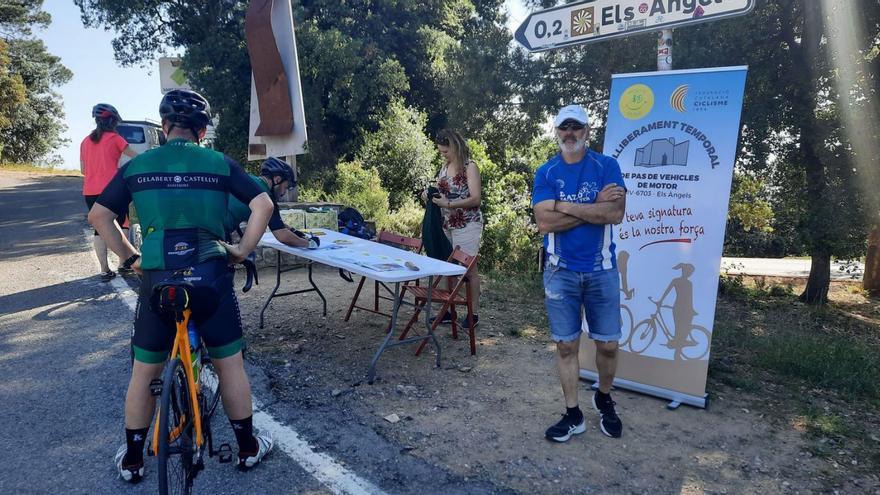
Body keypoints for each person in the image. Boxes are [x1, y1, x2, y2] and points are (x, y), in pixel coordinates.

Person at [88, 89, 276, 483]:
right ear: (202, 131)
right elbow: (264, 205)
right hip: (210, 272)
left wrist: (130, 258)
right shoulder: (218, 163)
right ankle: (247, 448)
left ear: (164, 128)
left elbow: (100, 215)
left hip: (158, 276)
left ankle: (134, 461)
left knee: (144, 371)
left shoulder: (139, 167)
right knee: (230, 366)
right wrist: (240, 250)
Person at [532, 104, 627, 441]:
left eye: (576, 127)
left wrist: (564, 206)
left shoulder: (607, 166)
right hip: (561, 272)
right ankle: (573, 414)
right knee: (566, 347)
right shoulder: (546, 172)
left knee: (609, 346)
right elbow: (544, 222)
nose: (569, 133)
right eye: (563, 128)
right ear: (556, 132)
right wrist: (592, 207)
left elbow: (615, 213)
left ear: (587, 131)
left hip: (602, 271)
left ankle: (603, 397)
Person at [423, 129, 484, 328]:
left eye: (445, 151)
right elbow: (442, 192)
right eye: (441, 152)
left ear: (455, 147)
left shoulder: (470, 167)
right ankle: (449, 311)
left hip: (467, 223)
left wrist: (448, 204)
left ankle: (473, 314)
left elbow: (475, 199)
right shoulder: (444, 167)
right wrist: (429, 195)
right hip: (446, 224)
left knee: (468, 269)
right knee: (446, 267)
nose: (443, 155)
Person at [80, 103, 138, 281]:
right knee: (122, 225)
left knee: (100, 229)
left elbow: (83, 170)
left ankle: (104, 270)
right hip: (112, 189)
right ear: (113, 121)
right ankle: (124, 264)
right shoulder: (115, 138)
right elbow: (137, 159)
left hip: (90, 190)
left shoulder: (85, 141)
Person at [224, 157, 318, 249]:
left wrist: (295, 232)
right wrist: (309, 244)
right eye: (285, 187)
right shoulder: (266, 197)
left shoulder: (250, 180)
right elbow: (282, 235)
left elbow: (275, 223)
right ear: (277, 179)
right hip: (218, 233)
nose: (283, 193)